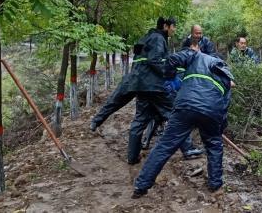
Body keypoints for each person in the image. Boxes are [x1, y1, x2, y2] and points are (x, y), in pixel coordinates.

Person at [89, 17, 202, 163]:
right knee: (176, 114)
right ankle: (188, 149)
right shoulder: (158, 38)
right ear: (166, 26)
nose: (175, 30)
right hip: (154, 86)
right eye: (174, 27)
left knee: (140, 120)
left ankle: (132, 156)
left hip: (141, 86)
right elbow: (155, 61)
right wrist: (170, 74)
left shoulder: (147, 38)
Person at [132, 41, 235, 198]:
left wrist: (170, 77)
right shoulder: (226, 74)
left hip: (186, 106)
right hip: (212, 111)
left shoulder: (196, 56)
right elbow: (224, 106)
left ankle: (141, 185)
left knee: (165, 145)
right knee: (214, 146)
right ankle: (215, 185)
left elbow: (172, 60)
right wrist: (218, 129)